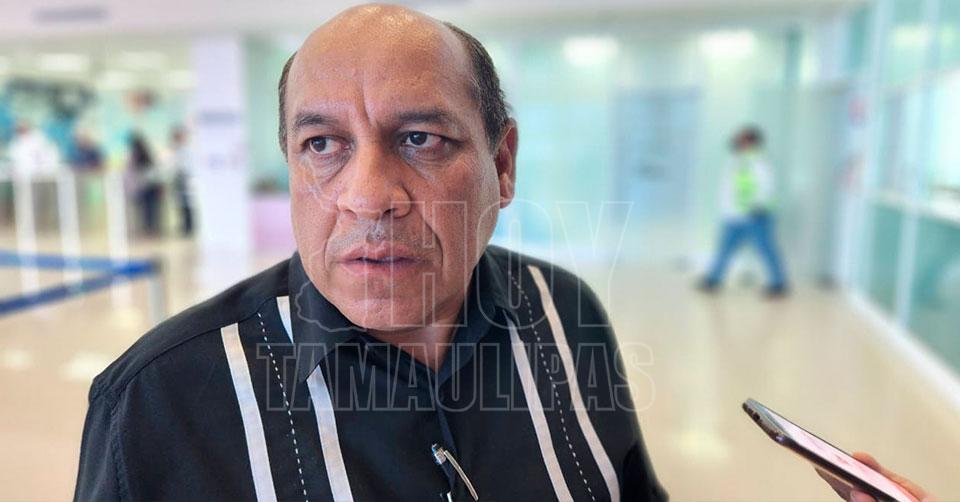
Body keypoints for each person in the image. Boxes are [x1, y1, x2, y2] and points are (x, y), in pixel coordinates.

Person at [74, 5, 929, 501]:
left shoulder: (566, 312)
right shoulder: (156, 402)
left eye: (421, 137)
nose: (368, 196)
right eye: (322, 145)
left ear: (504, 164)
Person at [700, 125, 789, 297]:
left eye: (741, 138)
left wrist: (759, 205)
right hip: (734, 215)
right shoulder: (736, 159)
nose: (736, 140)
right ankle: (713, 280)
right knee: (724, 248)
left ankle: (778, 284)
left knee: (765, 249)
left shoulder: (758, 161)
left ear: (751, 141)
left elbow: (767, 185)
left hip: (755, 215)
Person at [127, 131, 162, 236]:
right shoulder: (146, 153)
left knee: (147, 210)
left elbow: (138, 171)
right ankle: (151, 229)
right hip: (150, 185)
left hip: (147, 186)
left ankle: (149, 230)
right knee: (150, 209)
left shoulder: (139, 155)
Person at [169, 125, 193, 236]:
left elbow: (184, 166)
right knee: (181, 205)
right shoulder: (176, 150)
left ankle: (189, 227)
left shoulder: (186, 150)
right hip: (179, 178)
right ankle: (185, 226)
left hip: (185, 178)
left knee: (187, 204)